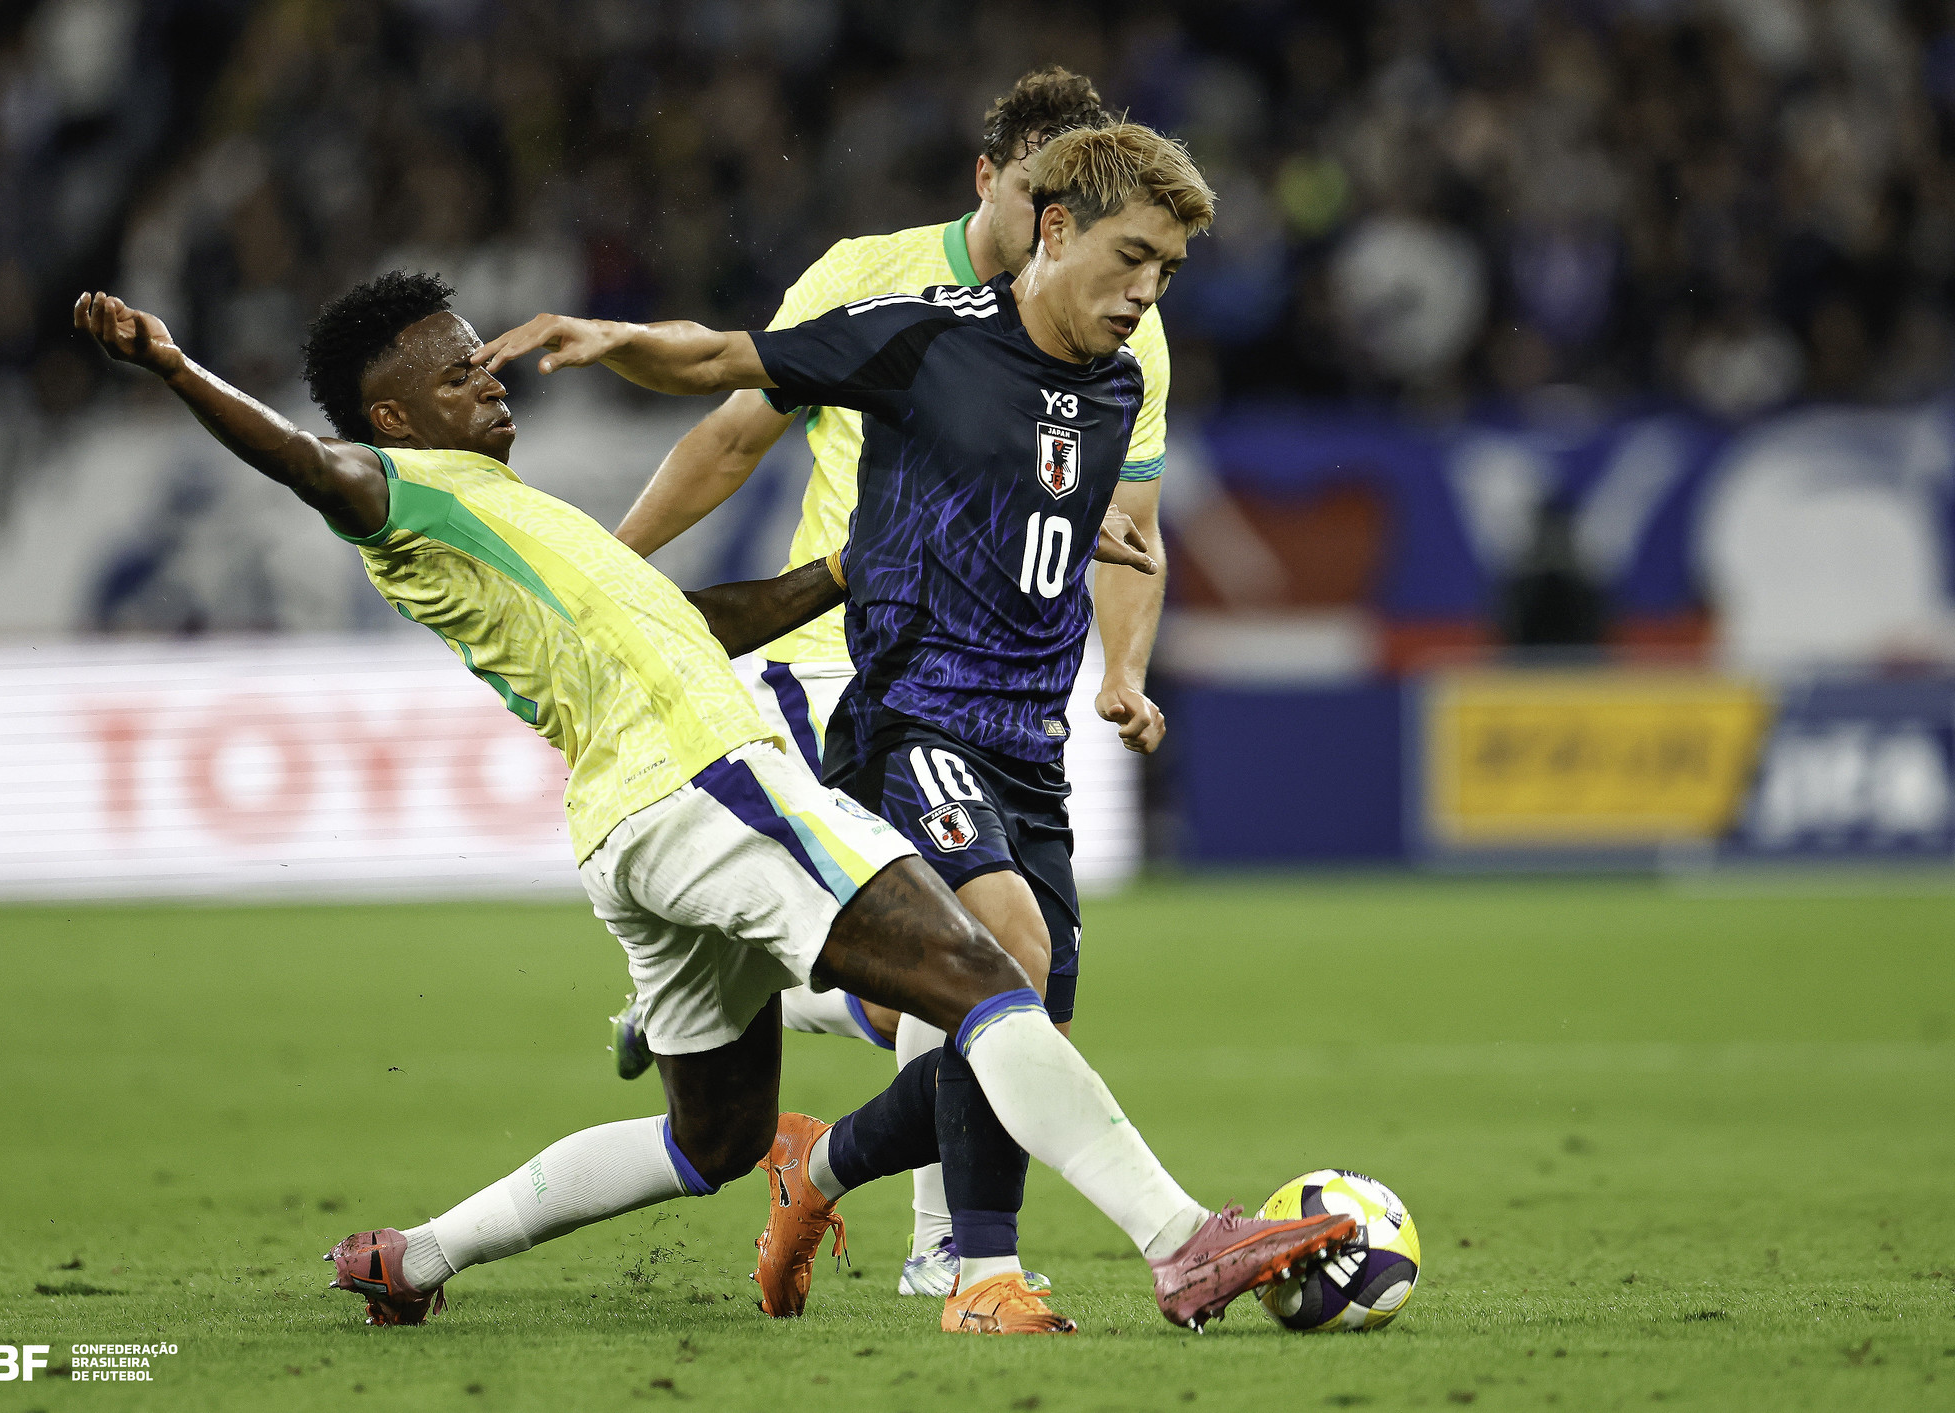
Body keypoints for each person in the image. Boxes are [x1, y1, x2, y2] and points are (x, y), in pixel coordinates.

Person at [71, 272, 1357, 1337]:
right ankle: (1183, 1242)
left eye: (485, 359)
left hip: (628, 830)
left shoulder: (517, 520)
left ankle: (411, 1258)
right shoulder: (399, 492)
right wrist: (178, 368)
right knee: (984, 976)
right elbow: (307, 464)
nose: (492, 378)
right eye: (460, 373)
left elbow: (691, 625)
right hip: (707, 781)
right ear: (394, 418)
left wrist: (854, 567)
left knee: (716, 1138)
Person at [474, 122, 1291, 1334]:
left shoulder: (1115, 385)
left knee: (1017, 1034)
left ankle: (821, 1170)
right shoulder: (920, 334)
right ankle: (991, 1279)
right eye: (1131, 259)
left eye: (1167, 273)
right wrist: (612, 341)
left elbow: (1061, 505)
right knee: (998, 961)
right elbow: (724, 367)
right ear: (1052, 229)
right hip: (912, 719)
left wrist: (1110, 644)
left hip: (1029, 745)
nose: (1146, 294)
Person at [608, 64, 1175, 1302]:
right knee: (975, 964)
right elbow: (729, 434)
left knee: (994, 1019)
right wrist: (606, 569)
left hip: (1009, 698)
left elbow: (1122, 517)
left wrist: (1121, 670)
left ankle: (767, 1078)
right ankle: (957, 1257)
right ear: (999, 185)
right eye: (1035, 198)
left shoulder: (1123, 324)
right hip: (846, 661)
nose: (1053, 230)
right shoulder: (873, 283)